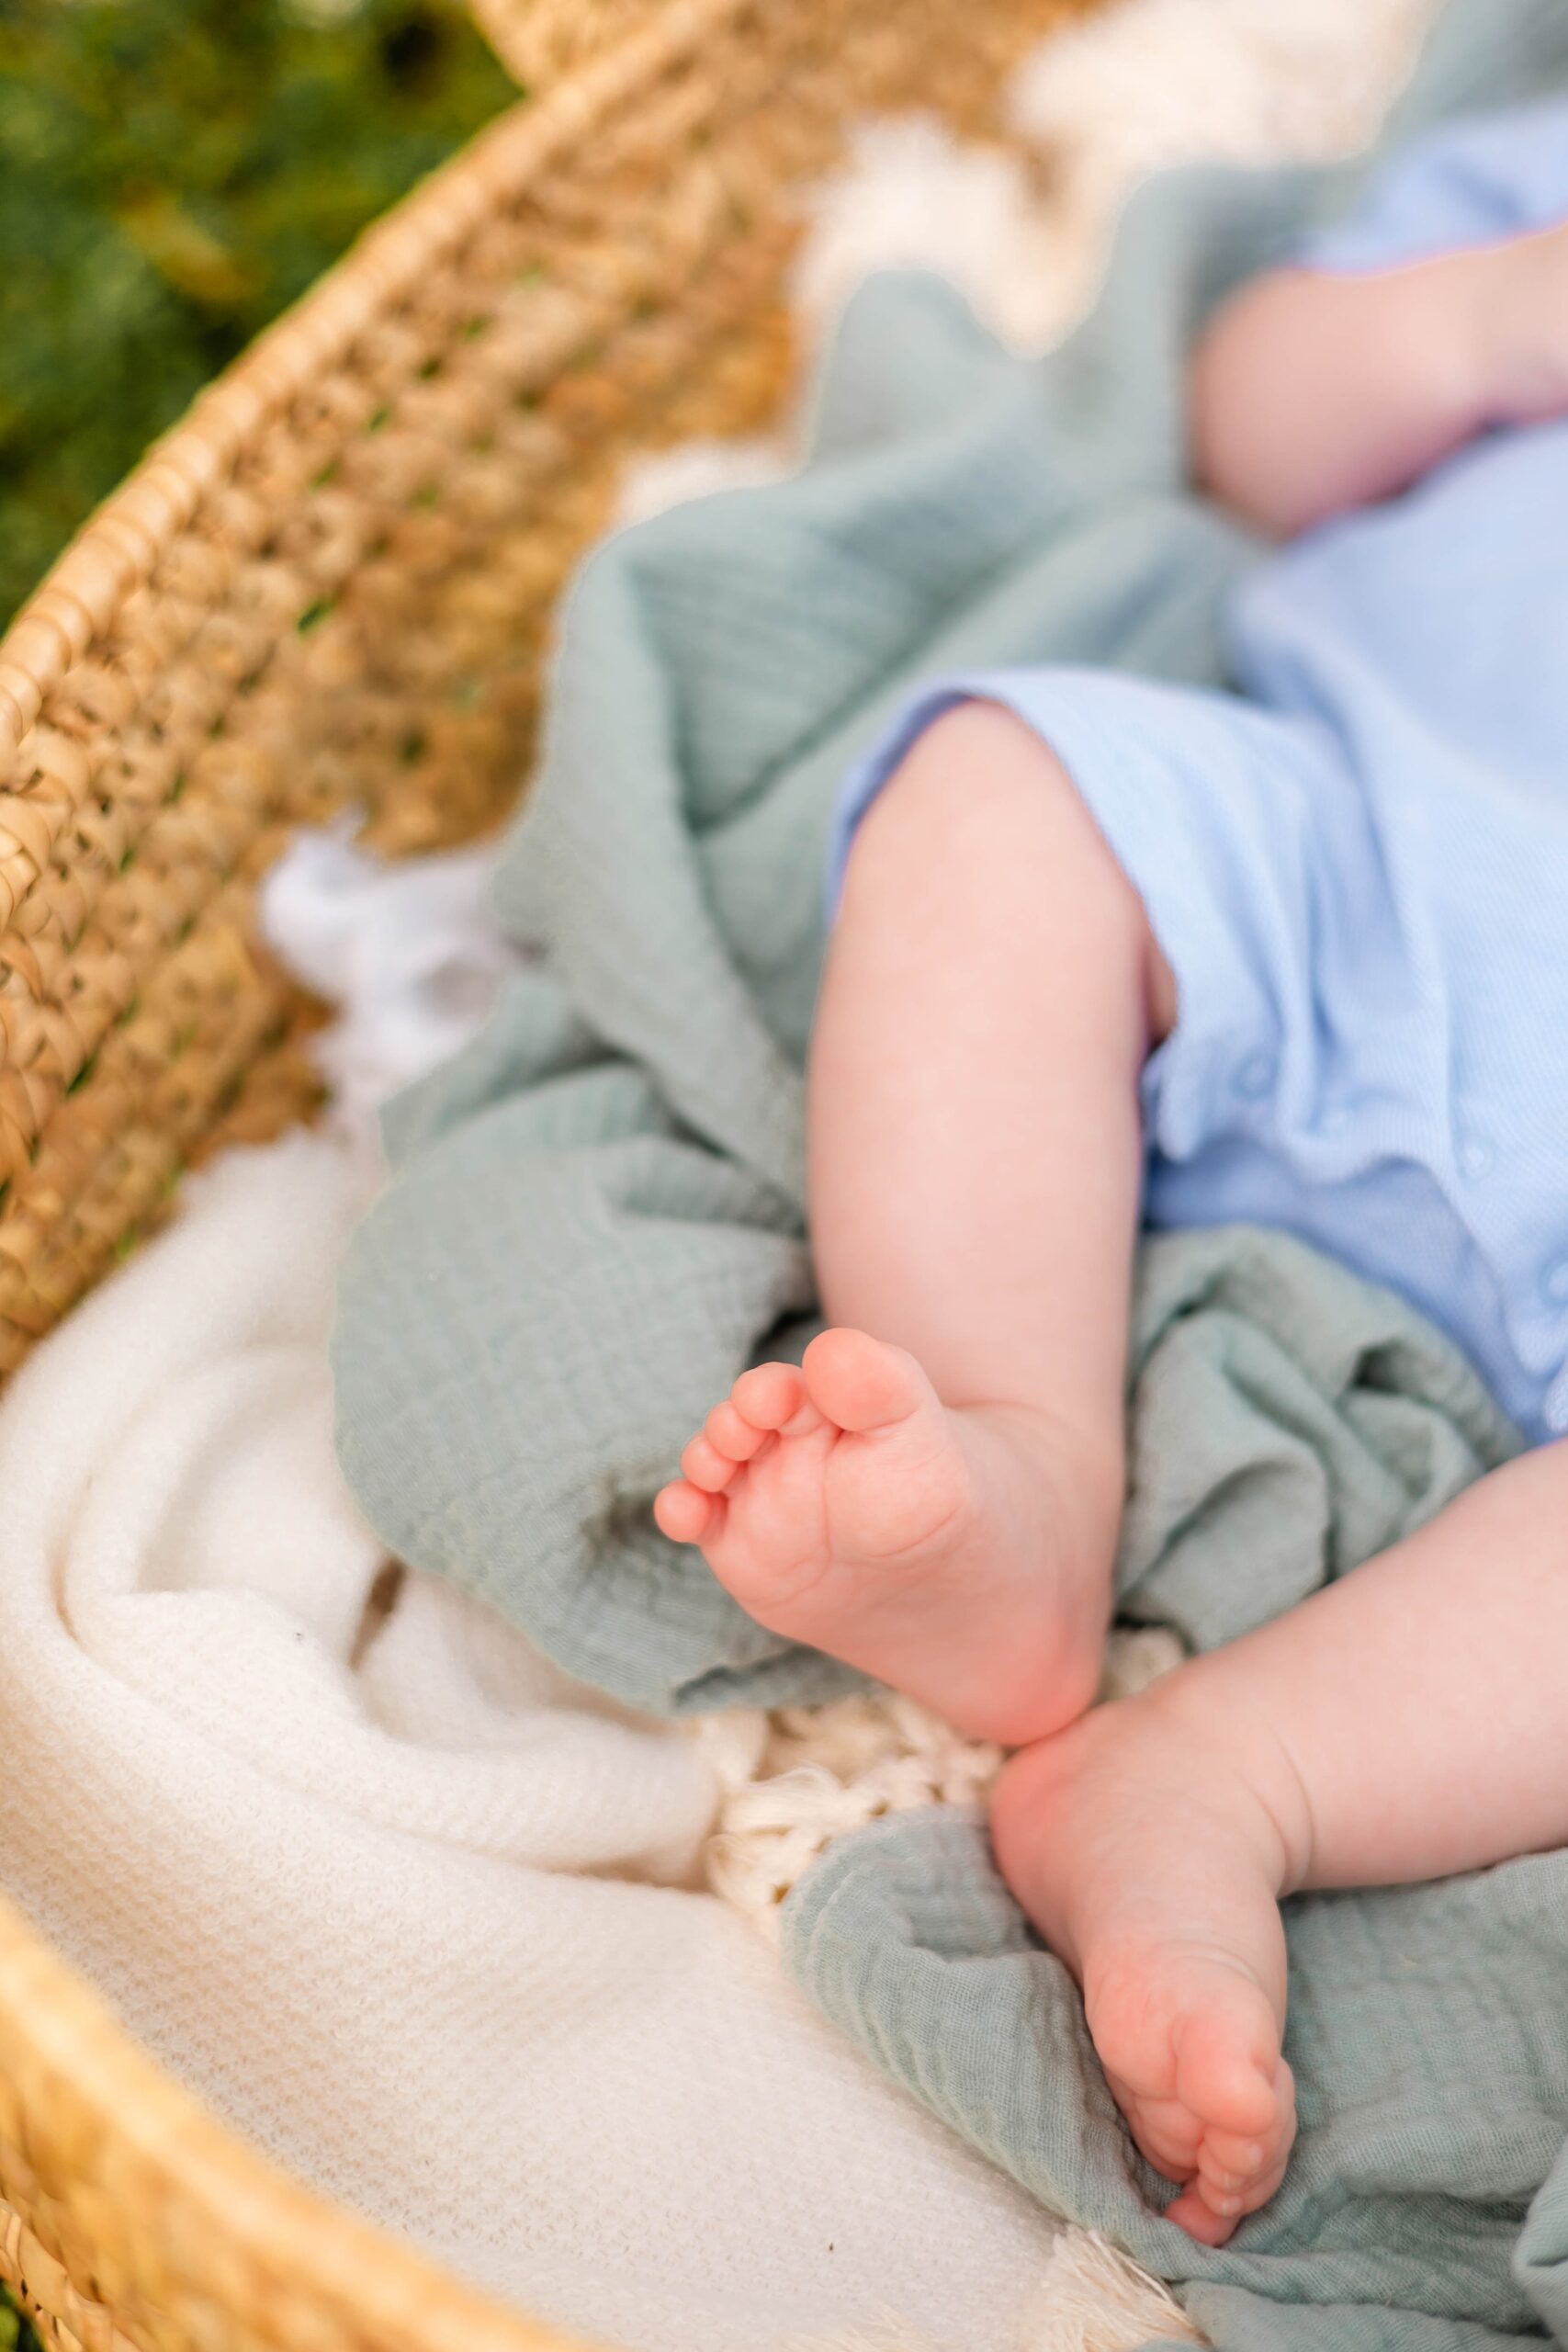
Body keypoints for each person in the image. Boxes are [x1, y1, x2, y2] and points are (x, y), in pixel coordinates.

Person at [654, 103, 1568, 2242]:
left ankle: (1218, 1772)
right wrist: (1485, 318)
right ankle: (1009, 1461)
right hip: (1347, 873)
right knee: (996, 793)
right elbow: (1248, 420)